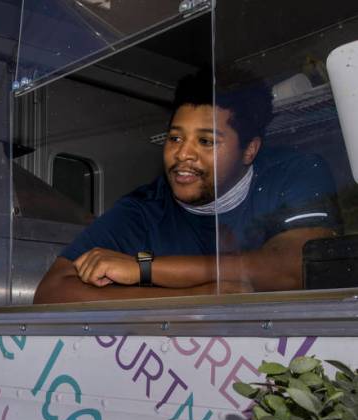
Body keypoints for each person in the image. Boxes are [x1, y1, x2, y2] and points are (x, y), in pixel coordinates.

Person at [34, 69, 341, 304]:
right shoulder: (144, 208)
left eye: (206, 141)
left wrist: (144, 269)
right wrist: (201, 296)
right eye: (175, 138)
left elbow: (292, 269)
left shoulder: (291, 172)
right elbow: (52, 290)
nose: (182, 154)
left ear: (250, 150)